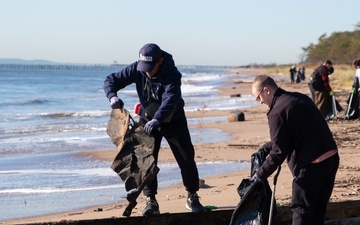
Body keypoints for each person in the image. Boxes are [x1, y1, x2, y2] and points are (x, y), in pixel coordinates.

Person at [103, 43, 205, 217]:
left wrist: (158, 118)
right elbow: (111, 80)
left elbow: (170, 99)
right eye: (144, 68)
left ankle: (192, 195)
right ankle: (151, 201)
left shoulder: (172, 74)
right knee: (146, 161)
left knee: (186, 157)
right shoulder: (138, 69)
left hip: (173, 119)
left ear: (160, 61)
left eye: (150, 68)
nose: (146, 72)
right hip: (148, 118)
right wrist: (112, 96)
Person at [251, 75, 339, 225]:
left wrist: (259, 175)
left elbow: (279, 151)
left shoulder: (276, 112)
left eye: (258, 97)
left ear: (266, 90)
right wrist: (266, 148)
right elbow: (290, 136)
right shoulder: (298, 98)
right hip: (331, 158)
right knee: (318, 211)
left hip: (313, 164)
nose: (260, 102)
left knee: (301, 211)